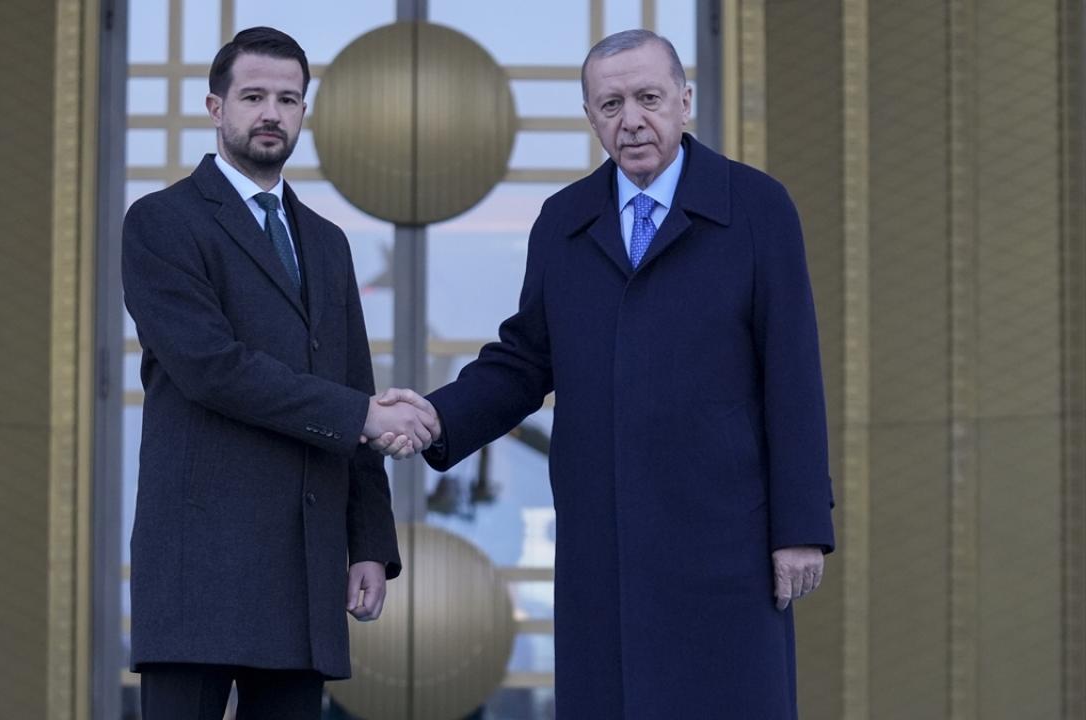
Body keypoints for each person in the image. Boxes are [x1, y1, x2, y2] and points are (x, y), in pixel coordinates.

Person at [372, 29, 835, 719]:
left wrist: (799, 527)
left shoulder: (757, 208)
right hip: (605, 543)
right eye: (611, 105)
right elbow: (524, 360)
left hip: (726, 541)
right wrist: (438, 417)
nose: (632, 120)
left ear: (685, 101)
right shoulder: (564, 221)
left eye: (649, 98)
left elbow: (793, 373)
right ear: (590, 117)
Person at [121, 27, 437, 720]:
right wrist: (364, 415)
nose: (272, 113)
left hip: (304, 569)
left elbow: (353, 383)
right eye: (254, 96)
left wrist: (369, 545)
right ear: (215, 107)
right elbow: (212, 369)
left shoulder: (326, 242)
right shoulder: (161, 222)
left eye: (288, 99)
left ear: (302, 112)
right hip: (199, 570)